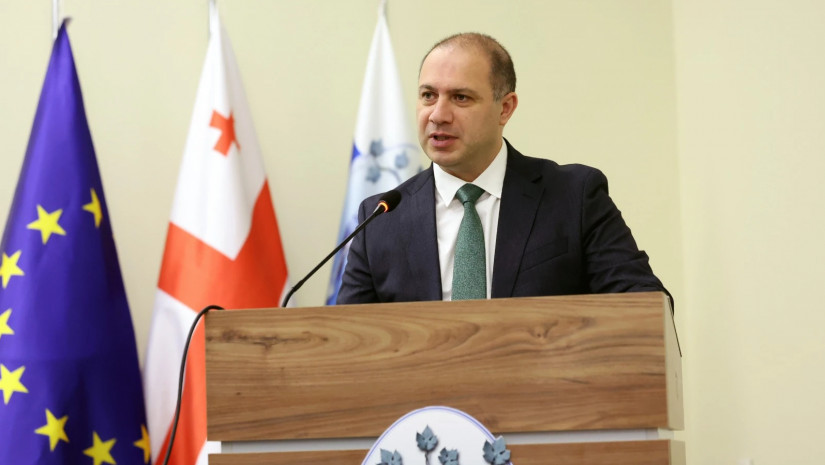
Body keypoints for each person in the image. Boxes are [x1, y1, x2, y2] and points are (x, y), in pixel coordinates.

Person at [337, 32, 670, 305]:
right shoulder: (380, 218)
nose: (438, 114)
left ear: (505, 108)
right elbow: (344, 343)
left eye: (460, 98)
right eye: (428, 95)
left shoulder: (574, 196)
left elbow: (644, 304)